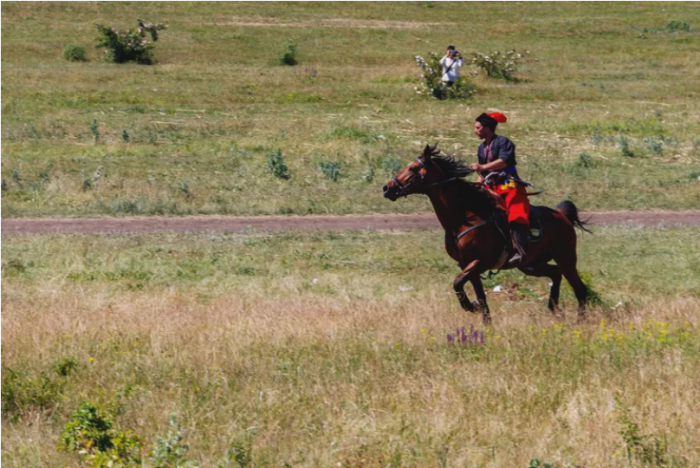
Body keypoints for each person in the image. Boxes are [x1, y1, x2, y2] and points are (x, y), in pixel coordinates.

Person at [469, 112, 531, 265]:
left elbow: (503, 161)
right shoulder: (481, 147)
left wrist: (483, 166)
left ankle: (519, 250)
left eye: (478, 128)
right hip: (491, 186)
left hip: (508, 184)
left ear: (487, 128)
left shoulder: (503, 142)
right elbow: (482, 173)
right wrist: (477, 187)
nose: (475, 131)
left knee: (516, 212)